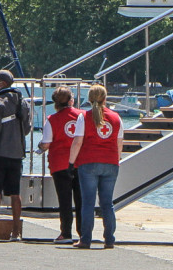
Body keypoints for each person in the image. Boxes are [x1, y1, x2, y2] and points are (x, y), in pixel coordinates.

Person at [68, 84, 123, 249]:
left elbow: (77, 142)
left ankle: (86, 239)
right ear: (105, 98)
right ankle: (109, 239)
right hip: (111, 163)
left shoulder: (83, 117)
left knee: (88, 203)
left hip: (88, 162)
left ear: (90, 99)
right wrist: (116, 159)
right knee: (107, 203)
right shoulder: (116, 118)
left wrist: (71, 163)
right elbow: (119, 144)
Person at [0, 70, 30, 241]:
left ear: (1, 82)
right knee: (15, 193)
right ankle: (16, 232)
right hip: (16, 154)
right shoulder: (22, 102)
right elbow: (27, 128)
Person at [37, 86, 82, 244]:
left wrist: (40, 147)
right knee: (81, 199)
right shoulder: (82, 116)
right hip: (79, 163)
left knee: (64, 200)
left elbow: (47, 143)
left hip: (60, 164)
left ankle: (66, 233)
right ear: (71, 100)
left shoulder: (51, 119)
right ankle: (83, 233)